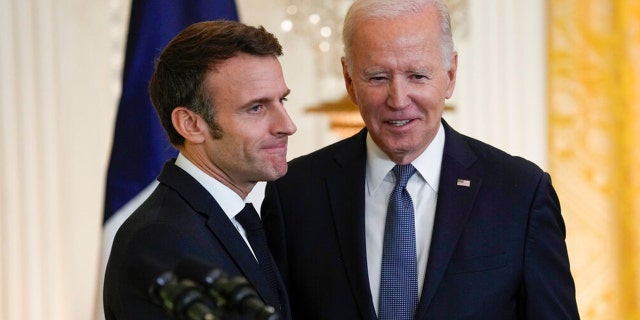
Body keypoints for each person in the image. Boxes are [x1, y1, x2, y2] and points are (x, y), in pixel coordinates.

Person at [261, 0, 580, 319]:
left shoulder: (520, 194)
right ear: (349, 80)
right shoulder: (294, 193)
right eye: (377, 77)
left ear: (450, 75)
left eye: (416, 76)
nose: (398, 100)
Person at [103, 21, 297, 320]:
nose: (287, 125)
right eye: (256, 108)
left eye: (281, 100)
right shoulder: (159, 241)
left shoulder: (242, 218)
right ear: (191, 125)